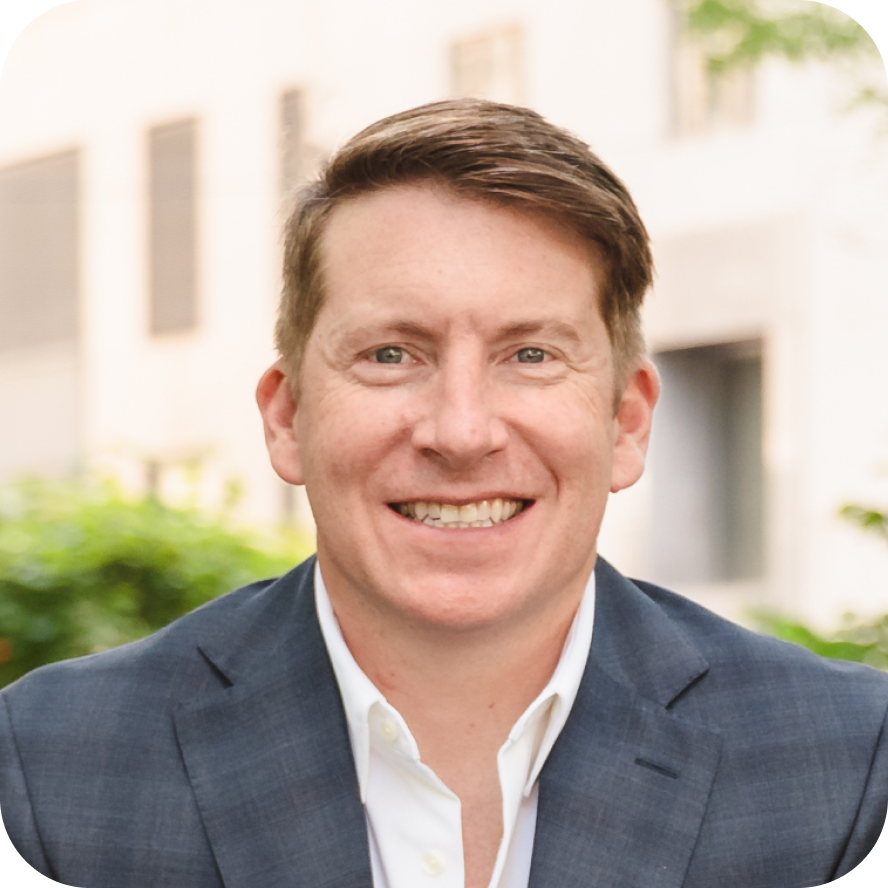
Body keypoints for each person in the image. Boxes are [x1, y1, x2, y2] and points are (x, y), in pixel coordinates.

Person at [1, 99, 886, 888]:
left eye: (530, 355)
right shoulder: (44, 768)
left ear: (625, 424)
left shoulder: (852, 769)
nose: (461, 432)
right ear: (287, 418)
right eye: (392, 354)